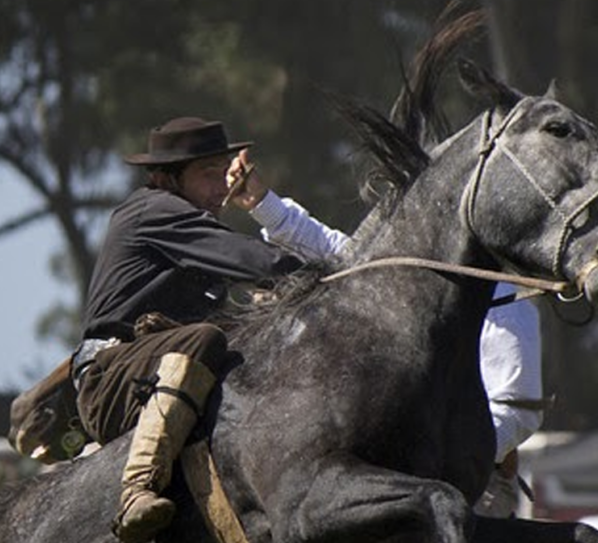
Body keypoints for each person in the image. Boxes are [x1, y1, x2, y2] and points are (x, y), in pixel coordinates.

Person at [226, 149, 544, 518]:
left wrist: (447, 453)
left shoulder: (506, 303)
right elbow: (331, 249)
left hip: (471, 487)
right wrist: (262, 204)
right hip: (391, 473)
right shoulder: (400, 276)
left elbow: (516, 410)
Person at [72, 117, 304, 543]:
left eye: (224, 170)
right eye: (207, 174)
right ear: (165, 179)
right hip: (111, 377)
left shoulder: (185, 225)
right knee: (203, 341)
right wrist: (326, 275)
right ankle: (136, 491)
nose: (222, 186)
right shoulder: (155, 210)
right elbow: (262, 263)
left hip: (146, 370)